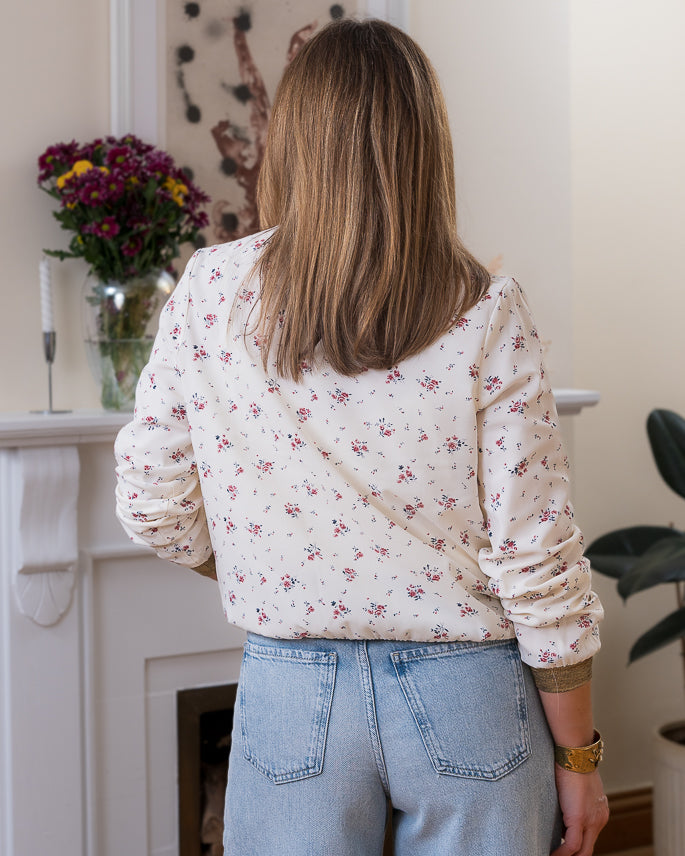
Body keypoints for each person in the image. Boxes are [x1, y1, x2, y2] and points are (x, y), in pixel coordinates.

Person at [115, 18, 609, 856]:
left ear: (291, 140)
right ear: (424, 146)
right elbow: (537, 554)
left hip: (289, 686)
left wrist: (272, 560)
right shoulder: (484, 306)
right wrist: (580, 757)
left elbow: (154, 506)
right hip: (469, 692)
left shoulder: (209, 289)